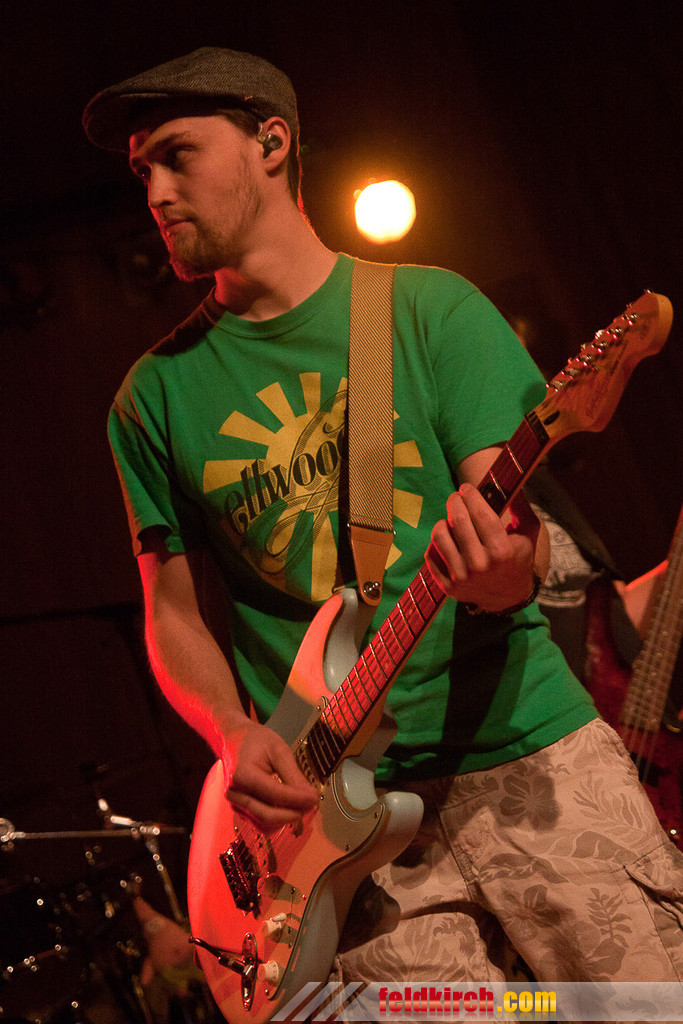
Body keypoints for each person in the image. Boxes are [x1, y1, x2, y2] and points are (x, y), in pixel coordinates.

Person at [82, 47, 683, 998]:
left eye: (177, 155)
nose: (154, 191)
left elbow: (512, 548)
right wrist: (231, 732)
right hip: (331, 840)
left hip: (530, 761)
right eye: (140, 169)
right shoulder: (150, 399)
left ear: (271, 143)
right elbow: (174, 614)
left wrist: (500, 571)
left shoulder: (429, 309)